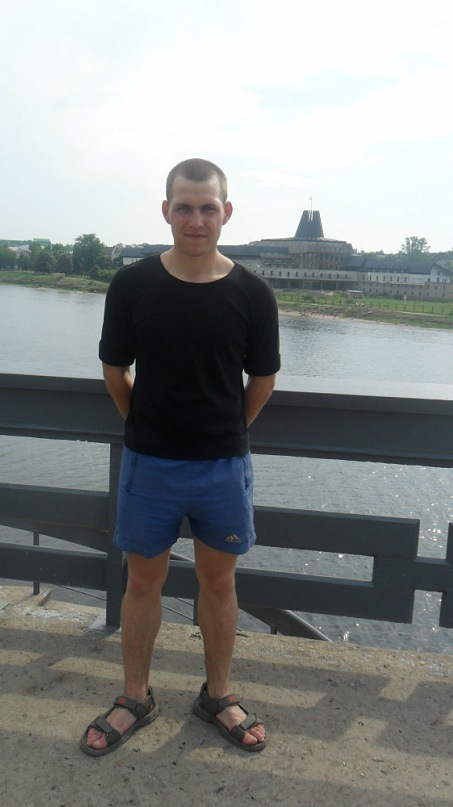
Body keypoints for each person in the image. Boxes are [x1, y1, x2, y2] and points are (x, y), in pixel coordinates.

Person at [80, 158, 280, 756]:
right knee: (143, 585)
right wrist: (145, 427)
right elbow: (115, 372)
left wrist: (224, 432)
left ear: (227, 212)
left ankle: (217, 695)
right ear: (166, 211)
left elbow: (262, 381)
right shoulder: (132, 284)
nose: (197, 219)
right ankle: (134, 697)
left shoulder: (253, 294)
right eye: (185, 207)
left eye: (208, 207)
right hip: (150, 465)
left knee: (219, 583)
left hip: (223, 467)